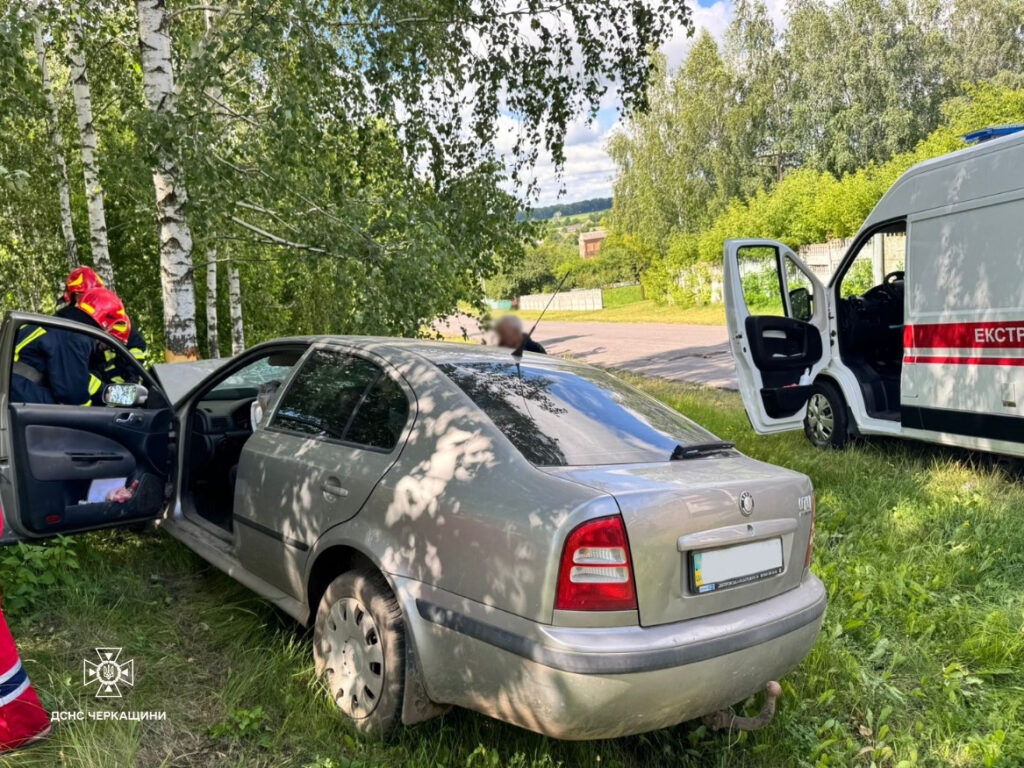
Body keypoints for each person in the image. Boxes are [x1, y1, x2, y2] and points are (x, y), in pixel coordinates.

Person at [12, 287, 130, 406]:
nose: (107, 348)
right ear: (106, 324)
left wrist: (120, 395)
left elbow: (76, 377)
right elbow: (73, 396)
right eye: (110, 343)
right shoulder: (75, 336)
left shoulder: (61, 325)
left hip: (15, 390)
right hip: (21, 393)